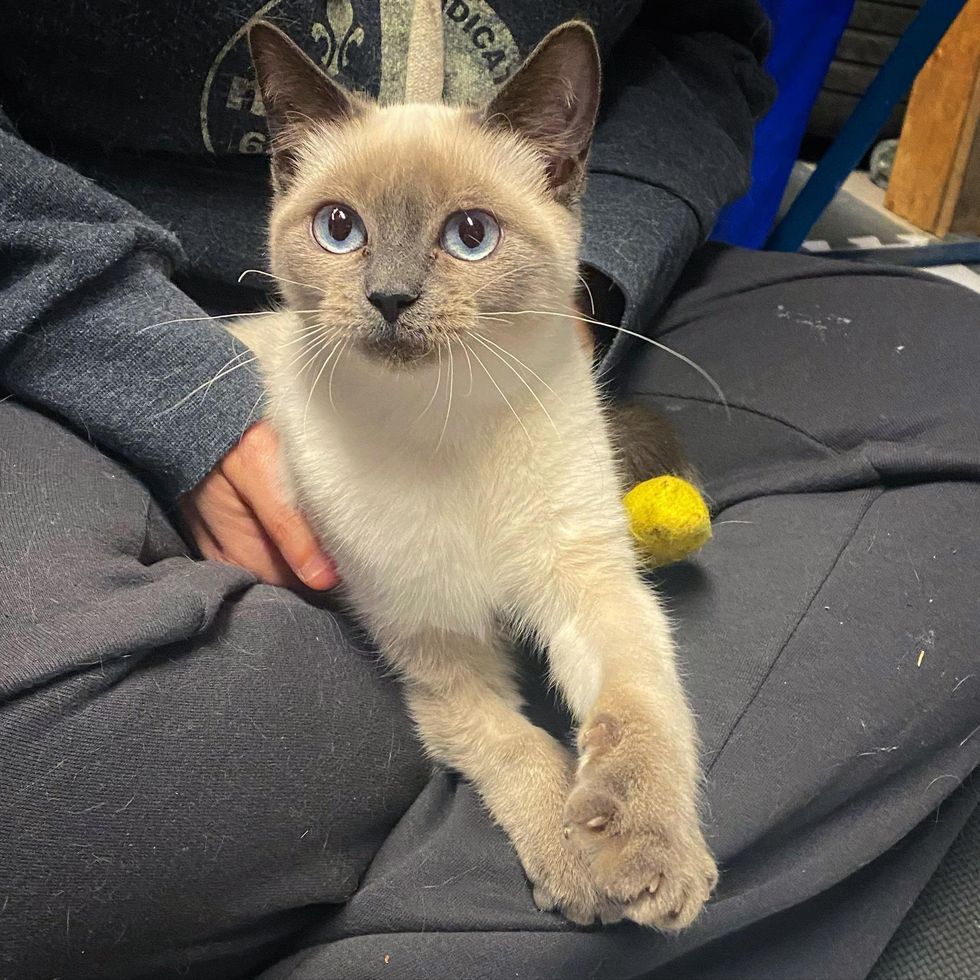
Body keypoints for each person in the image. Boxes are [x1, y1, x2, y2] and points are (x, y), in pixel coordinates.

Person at [0, 2, 977, 978]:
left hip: (550, 319)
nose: (389, 287)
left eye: (461, 231)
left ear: (557, 170)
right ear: (287, 173)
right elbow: (448, 676)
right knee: (47, 797)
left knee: (954, 410)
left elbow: (702, 52)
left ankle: (384, 879)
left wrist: (637, 744)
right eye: (339, 227)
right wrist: (517, 764)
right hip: (116, 325)